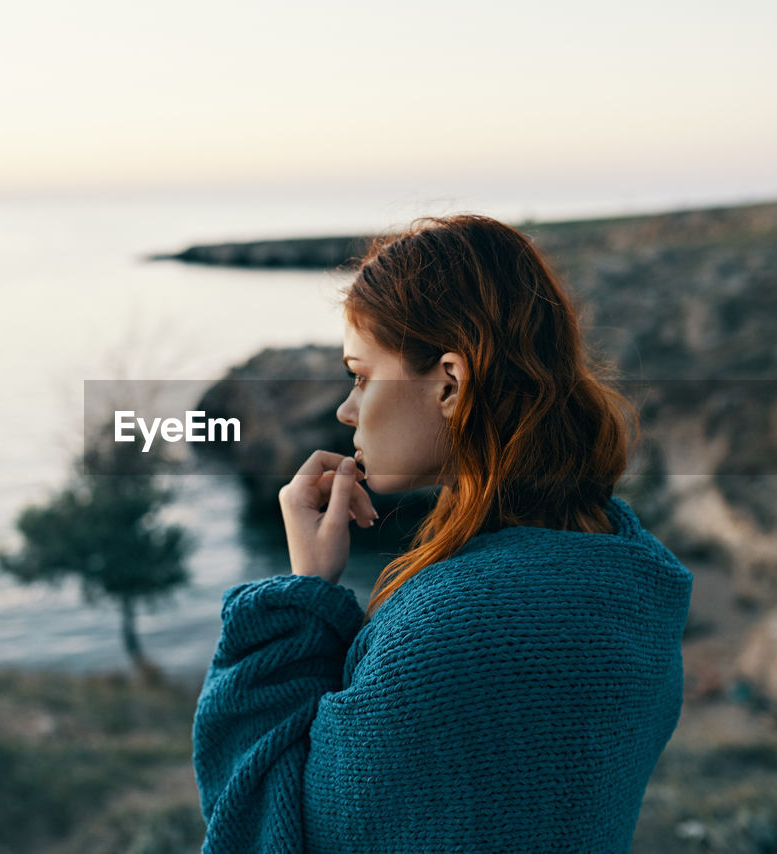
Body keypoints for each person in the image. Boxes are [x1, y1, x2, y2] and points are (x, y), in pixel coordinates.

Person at [192, 213, 694, 853]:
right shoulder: (636, 587)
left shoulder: (444, 632)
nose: (346, 410)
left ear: (451, 384)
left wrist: (301, 598)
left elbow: (267, 826)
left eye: (361, 376)